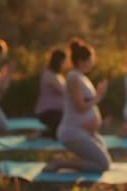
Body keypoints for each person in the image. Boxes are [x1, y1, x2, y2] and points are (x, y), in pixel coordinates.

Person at [44, 38, 112, 172]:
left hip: (85, 132)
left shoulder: (81, 77)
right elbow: (80, 107)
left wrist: (97, 94)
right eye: (91, 59)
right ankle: (60, 163)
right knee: (103, 165)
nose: (93, 62)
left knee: (106, 160)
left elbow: (87, 101)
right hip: (73, 132)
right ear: (82, 61)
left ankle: (70, 161)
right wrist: (98, 97)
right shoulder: (73, 77)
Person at [32, 49, 68, 139]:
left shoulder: (58, 76)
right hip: (48, 112)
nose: (66, 64)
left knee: (65, 129)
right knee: (62, 131)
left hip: (58, 112)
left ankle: (44, 133)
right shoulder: (48, 75)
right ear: (59, 62)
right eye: (64, 62)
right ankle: (41, 134)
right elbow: (65, 92)